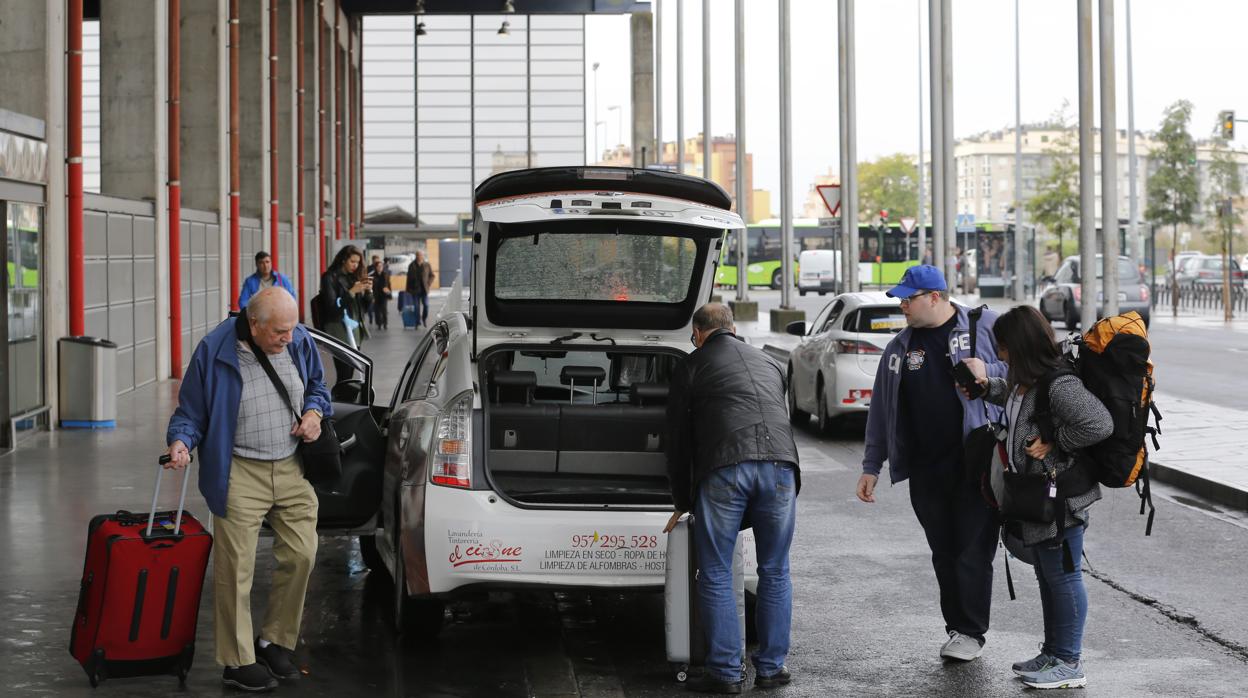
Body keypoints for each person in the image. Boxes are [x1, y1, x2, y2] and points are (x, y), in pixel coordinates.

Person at [164, 287, 331, 692]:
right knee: (235, 569)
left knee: (303, 555)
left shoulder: (299, 339)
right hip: (240, 470)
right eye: (279, 332)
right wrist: (181, 441)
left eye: (291, 330)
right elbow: (191, 410)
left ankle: (274, 640)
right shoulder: (214, 350)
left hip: (291, 466)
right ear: (253, 325)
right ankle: (237, 662)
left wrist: (313, 414)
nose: (288, 339)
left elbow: (318, 390)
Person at [856, 264, 1007, 662]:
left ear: (936, 297)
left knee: (972, 549)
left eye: (909, 299)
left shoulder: (985, 325)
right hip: (926, 470)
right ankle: (957, 627)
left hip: (976, 462)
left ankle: (972, 632)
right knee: (943, 551)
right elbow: (881, 412)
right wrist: (872, 465)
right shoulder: (900, 348)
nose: (902, 305)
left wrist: (987, 372)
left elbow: (1030, 370)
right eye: (901, 299)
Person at [963, 306, 1111, 690]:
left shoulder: (1058, 384)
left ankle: (1069, 662)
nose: (999, 353)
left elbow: (1100, 423)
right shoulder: (1024, 382)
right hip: (1037, 498)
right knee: (1049, 575)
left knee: (1063, 576)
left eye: (1004, 345)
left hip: (1061, 500)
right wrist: (986, 388)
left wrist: (1055, 443)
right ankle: (1054, 652)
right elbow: (1016, 404)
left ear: (1021, 345)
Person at [665, 303, 800, 694]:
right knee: (775, 570)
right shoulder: (769, 362)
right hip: (780, 467)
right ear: (733, 328)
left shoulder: (692, 365)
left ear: (698, 334)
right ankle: (772, 669)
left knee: (718, 571)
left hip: (725, 468)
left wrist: (681, 498)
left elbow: (677, 441)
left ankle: (725, 672)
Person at [319, 245, 371, 354]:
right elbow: (332, 309)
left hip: (355, 329)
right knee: (344, 369)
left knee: (353, 368)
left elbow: (364, 308)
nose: (355, 265)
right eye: (352, 261)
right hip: (339, 330)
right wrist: (351, 292)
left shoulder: (354, 276)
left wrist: (368, 291)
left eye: (357, 262)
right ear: (343, 260)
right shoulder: (329, 277)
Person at [405, 250, 435, 328]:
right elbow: (408, 278)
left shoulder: (427, 265)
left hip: (424, 289)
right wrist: (407, 289)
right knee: (416, 307)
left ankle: (424, 318)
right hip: (414, 290)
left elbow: (432, 275)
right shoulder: (411, 265)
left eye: (420, 255)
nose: (419, 256)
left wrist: (428, 283)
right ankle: (417, 322)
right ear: (416, 256)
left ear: (423, 256)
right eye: (418, 255)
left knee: (426, 305)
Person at [368, 256, 391, 330]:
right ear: (376, 267)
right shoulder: (372, 276)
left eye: (381, 266)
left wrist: (389, 293)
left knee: (384, 310)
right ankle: (379, 323)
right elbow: (370, 287)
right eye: (378, 266)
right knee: (377, 310)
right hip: (376, 295)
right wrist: (371, 296)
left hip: (384, 295)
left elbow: (389, 285)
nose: (380, 267)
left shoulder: (385, 275)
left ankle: (385, 323)